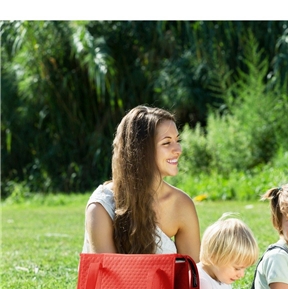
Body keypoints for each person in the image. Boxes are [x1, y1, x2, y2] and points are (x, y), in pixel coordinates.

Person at [83, 105, 200, 261]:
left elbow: (192, 271)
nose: (178, 149)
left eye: (177, 140)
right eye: (167, 143)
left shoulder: (181, 204)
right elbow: (107, 273)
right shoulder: (101, 206)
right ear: (141, 150)